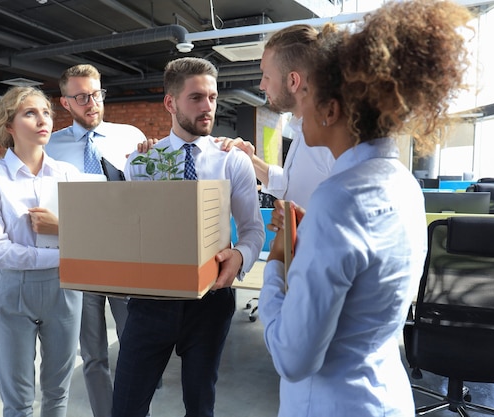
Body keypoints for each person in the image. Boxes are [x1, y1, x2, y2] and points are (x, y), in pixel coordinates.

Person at [259, 0, 473, 416]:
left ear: (331, 109)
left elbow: (292, 358)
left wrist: (279, 260)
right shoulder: (405, 185)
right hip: (384, 395)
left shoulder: (339, 200)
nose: (299, 113)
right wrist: (313, 236)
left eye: (305, 98)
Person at [112, 57, 265, 417]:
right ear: (171, 103)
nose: (207, 107)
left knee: (200, 405)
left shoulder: (232, 161)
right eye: (196, 98)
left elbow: (252, 228)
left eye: (212, 98)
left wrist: (241, 256)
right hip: (151, 299)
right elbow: (129, 231)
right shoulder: (141, 163)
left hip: (209, 301)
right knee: (125, 406)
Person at [44, 63, 149, 417]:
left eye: (97, 94)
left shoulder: (129, 136)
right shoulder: (51, 147)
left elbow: (146, 195)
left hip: (123, 257)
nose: (93, 103)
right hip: (78, 259)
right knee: (93, 356)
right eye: (82, 97)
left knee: (134, 344)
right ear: (65, 103)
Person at [0, 86, 83, 417]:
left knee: (57, 392)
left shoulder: (69, 175)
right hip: (13, 291)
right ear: (9, 125)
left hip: (64, 289)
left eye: (47, 113)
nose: (43, 120)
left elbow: (94, 237)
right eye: (30, 113)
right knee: (18, 401)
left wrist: (65, 235)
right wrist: (66, 255)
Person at [218, 25, 335, 208]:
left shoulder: (331, 137)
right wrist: (251, 160)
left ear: (293, 81)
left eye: (266, 76)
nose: (262, 86)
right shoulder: (303, 129)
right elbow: (293, 185)